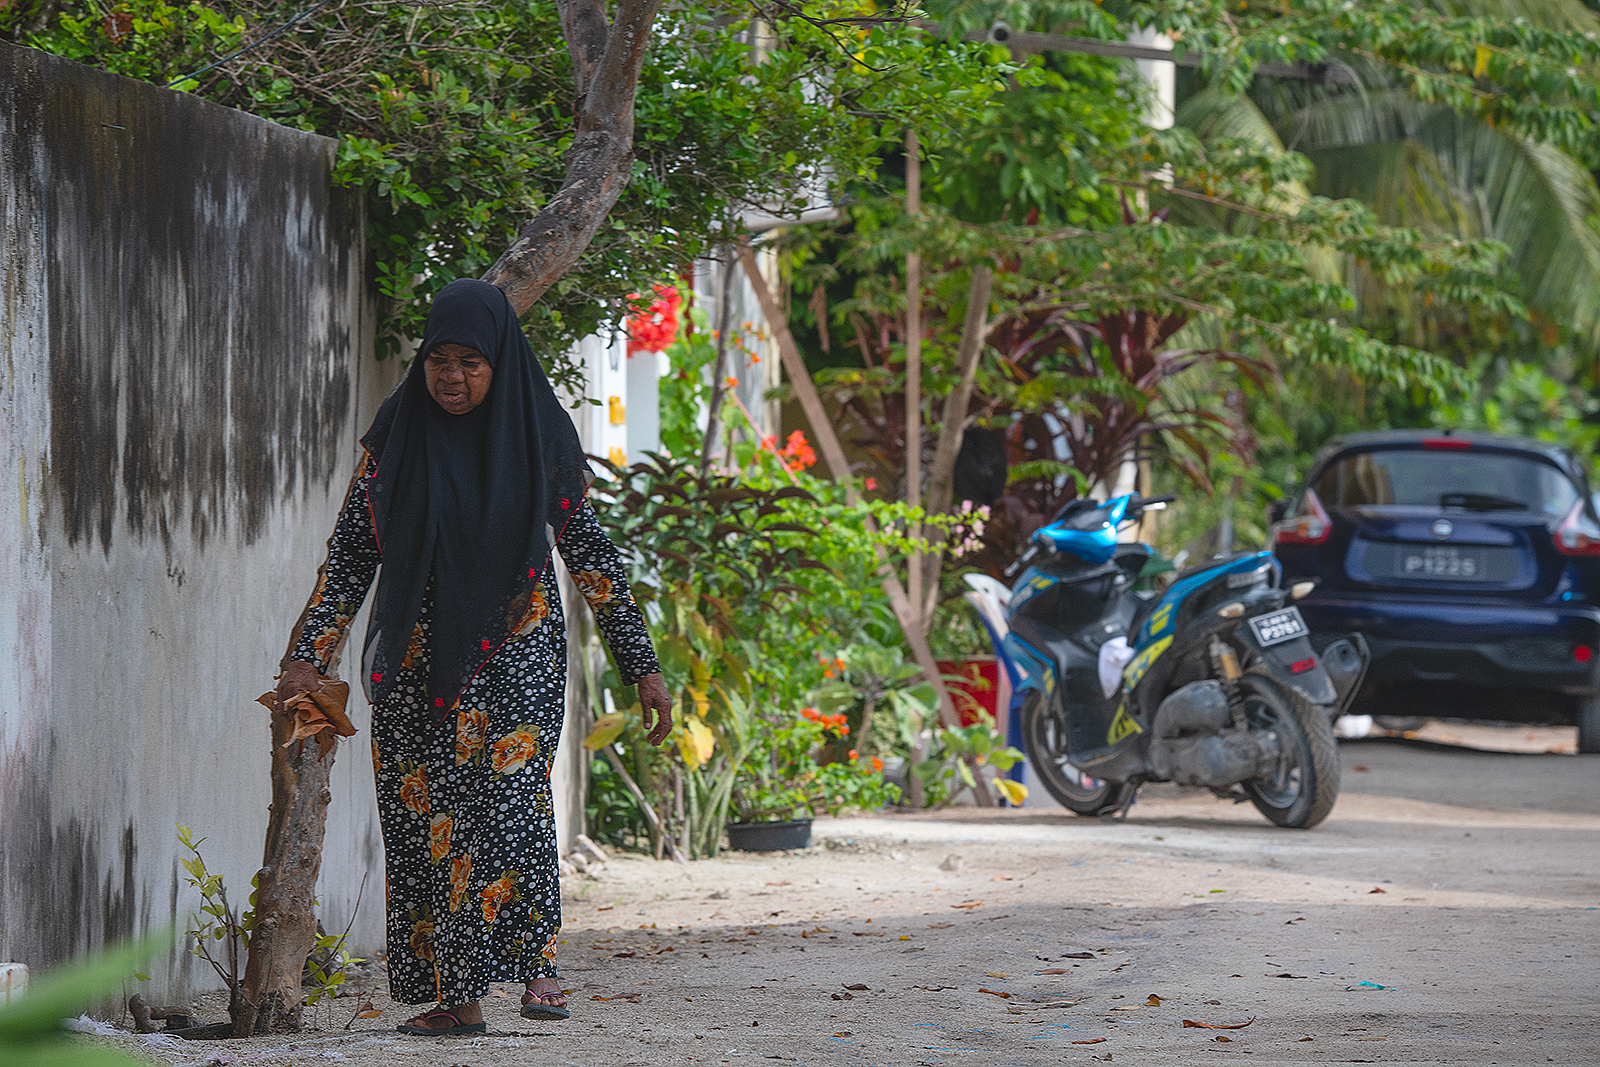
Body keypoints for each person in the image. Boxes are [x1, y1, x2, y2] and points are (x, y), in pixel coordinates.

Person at [275, 278, 673, 1036]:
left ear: (501, 364)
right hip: (416, 662)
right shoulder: (395, 445)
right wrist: (307, 655)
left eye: (471, 361)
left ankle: (538, 964)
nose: (452, 376)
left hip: (515, 655)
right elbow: (350, 560)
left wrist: (641, 665)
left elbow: (594, 557)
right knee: (424, 821)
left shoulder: (540, 440)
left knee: (511, 806)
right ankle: (458, 998)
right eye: (439, 360)